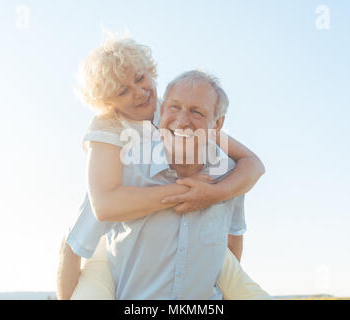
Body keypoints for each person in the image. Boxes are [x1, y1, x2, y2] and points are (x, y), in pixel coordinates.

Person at [57, 38, 268, 299]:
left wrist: (213, 194)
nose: (139, 92)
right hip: (120, 232)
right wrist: (187, 193)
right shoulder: (108, 130)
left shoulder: (169, 108)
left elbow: (253, 164)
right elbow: (103, 206)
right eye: (123, 91)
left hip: (185, 231)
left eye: (140, 77)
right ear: (109, 102)